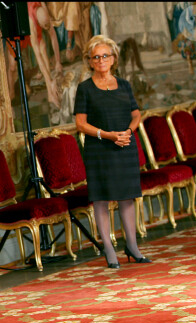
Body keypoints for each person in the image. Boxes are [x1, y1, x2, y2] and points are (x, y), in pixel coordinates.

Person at [73, 35, 151, 269]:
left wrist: (128, 131)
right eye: (95, 57)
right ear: (89, 61)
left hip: (125, 145)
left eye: (105, 55)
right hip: (99, 149)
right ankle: (108, 248)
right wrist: (107, 135)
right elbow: (80, 124)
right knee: (101, 199)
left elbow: (136, 114)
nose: (100, 60)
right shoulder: (85, 88)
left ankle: (133, 246)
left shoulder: (124, 84)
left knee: (127, 196)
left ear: (113, 58)